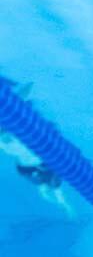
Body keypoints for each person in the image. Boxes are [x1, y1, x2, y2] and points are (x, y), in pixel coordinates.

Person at [0, 82, 73, 216]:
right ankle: (65, 207)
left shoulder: (10, 140)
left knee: (45, 187)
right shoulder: (18, 136)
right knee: (52, 188)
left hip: (26, 166)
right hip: (33, 164)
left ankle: (63, 205)